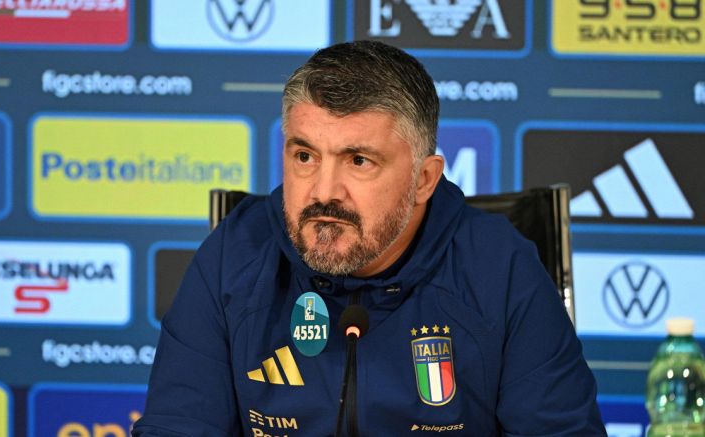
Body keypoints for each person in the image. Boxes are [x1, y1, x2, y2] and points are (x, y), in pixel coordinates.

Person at [132, 40, 606, 436]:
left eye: (358, 161)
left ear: (423, 179)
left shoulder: (500, 269)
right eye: (304, 156)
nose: (323, 192)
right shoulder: (235, 255)